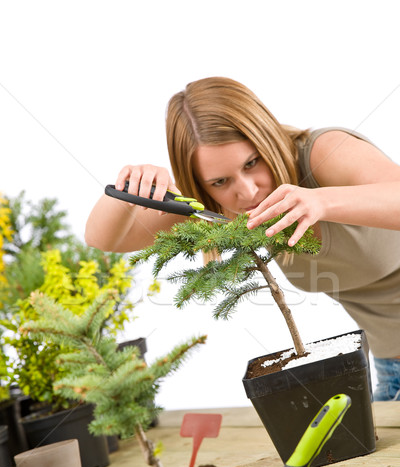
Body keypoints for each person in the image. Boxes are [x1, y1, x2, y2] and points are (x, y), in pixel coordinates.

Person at [85, 76, 400, 401]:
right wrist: (128, 187)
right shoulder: (221, 207)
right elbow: (102, 238)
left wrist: (322, 201)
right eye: (220, 181)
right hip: (392, 370)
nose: (247, 191)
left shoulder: (323, 152)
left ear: (266, 138)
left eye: (252, 163)